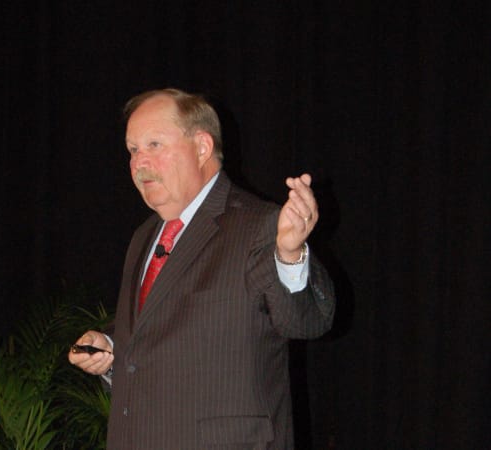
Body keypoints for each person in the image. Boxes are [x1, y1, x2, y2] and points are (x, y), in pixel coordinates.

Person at [69, 88, 335, 449]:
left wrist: (290, 255)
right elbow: (159, 335)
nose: (139, 162)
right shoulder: (144, 237)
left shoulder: (258, 225)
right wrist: (111, 348)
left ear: (202, 147)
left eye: (154, 145)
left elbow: (306, 322)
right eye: (133, 150)